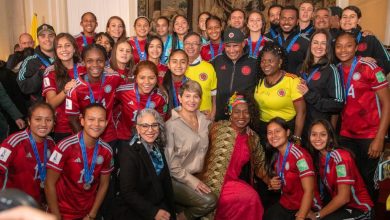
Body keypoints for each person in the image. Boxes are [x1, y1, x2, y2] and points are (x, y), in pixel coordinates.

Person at [335, 32, 390, 200]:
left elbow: (387, 104)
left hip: (370, 135)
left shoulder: (370, 67)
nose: (343, 50)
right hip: (346, 134)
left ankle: (370, 212)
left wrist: (380, 138)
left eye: (348, 45)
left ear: (357, 48)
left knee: (368, 180)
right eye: (339, 46)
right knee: (349, 180)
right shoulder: (335, 70)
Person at [201, 92, 266, 220]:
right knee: (249, 197)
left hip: (230, 183)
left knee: (251, 198)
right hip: (207, 182)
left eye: (246, 112)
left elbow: (260, 166)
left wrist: (270, 181)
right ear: (230, 112)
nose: (241, 116)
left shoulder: (253, 138)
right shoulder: (216, 127)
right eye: (237, 111)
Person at [45, 103, 113, 220]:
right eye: (91, 119)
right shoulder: (65, 146)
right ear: (82, 121)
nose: (96, 124)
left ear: (106, 123)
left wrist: (92, 214)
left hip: (87, 212)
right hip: (62, 212)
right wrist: (56, 216)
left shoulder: (106, 150)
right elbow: (49, 183)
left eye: (101, 120)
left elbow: (104, 184)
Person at [165, 80, 217, 219]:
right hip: (176, 179)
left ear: (200, 99)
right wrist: (194, 182)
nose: (191, 100)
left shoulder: (206, 121)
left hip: (199, 174)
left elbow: (221, 131)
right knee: (209, 201)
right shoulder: (170, 126)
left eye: (196, 96)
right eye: (187, 96)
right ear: (180, 98)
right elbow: (172, 167)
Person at [113, 108, 175, 220]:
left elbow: (165, 183)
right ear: (138, 128)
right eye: (145, 126)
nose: (150, 130)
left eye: (154, 125)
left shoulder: (157, 146)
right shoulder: (129, 152)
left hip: (157, 202)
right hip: (136, 209)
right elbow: (128, 192)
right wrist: (153, 212)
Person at [306, 119, 373, 220]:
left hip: (359, 208)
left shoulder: (341, 157)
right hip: (341, 207)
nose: (317, 138)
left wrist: (318, 215)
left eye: (323, 134)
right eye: (314, 134)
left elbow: (343, 197)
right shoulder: (319, 157)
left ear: (331, 137)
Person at [264, 117, 321, 220]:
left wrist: (301, 217)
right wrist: (273, 184)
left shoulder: (300, 156)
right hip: (287, 203)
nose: (273, 136)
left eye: (277, 131)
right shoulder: (277, 156)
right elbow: (285, 183)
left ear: (287, 132)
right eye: (269, 133)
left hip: (307, 206)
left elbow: (309, 191)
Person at [66, 44, 124, 144]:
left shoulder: (114, 78)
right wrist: (86, 141)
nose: (95, 65)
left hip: (110, 136)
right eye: (90, 61)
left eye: (100, 61)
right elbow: (72, 120)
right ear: (83, 63)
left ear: (106, 62)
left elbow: (127, 91)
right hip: (86, 140)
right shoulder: (75, 88)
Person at [0, 102, 55, 205]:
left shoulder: (51, 143)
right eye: (38, 119)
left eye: (48, 120)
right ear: (29, 121)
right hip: (12, 204)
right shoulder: (14, 142)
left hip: (35, 203)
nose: (43, 124)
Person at [254, 43, 306, 146]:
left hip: (285, 130)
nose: (266, 64)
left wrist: (297, 138)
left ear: (280, 62)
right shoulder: (259, 81)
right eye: (263, 61)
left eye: (270, 61)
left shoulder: (292, 80)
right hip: (263, 131)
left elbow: (302, 112)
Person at [297, 29, 344, 143]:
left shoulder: (331, 70)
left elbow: (338, 104)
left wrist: (309, 95)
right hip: (300, 127)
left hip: (319, 131)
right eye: (315, 42)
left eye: (323, 43)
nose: (319, 46)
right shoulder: (301, 68)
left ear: (328, 47)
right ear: (310, 44)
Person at [42, 33, 84, 142]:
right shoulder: (50, 72)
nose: (64, 49)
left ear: (74, 48)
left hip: (85, 124)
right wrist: (65, 91)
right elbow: (51, 104)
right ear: (55, 50)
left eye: (67, 45)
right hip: (63, 127)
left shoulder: (84, 68)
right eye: (59, 46)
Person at [211, 27, 260, 121]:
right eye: (228, 46)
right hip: (220, 118)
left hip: (244, 119)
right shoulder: (216, 62)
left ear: (243, 44)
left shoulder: (254, 63)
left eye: (235, 46)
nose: (231, 50)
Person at [115, 60, 167, 144]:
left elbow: (160, 123)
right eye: (142, 78)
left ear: (156, 79)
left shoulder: (160, 98)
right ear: (136, 78)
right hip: (124, 138)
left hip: (147, 138)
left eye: (151, 78)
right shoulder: (123, 91)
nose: (147, 82)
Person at [340, 5, 390, 74]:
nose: (347, 20)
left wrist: (375, 61)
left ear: (358, 20)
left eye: (352, 17)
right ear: (340, 20)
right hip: (341, 83)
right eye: (344, 17)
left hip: (366, 83)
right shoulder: (334, 40)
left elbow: (388, 62)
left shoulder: (369, 39)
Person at [17, 24, 56, 104]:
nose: (47, 39)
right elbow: (23, 86)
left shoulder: (63, 56)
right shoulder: (30, 60)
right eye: (43, 36)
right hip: (42, 109)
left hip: (64, 107)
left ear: (55, 37)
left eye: (51, 35)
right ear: (38, 39)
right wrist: (41, 73)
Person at [184, 32, 217, 120]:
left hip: (205, 118)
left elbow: (214, 95)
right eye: (187, 43)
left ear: (201, 47)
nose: (190, 46)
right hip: (183, 118)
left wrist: (213, 114)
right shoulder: (178, 68)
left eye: (194, 43)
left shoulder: (209, 67)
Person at [273, 6, 309, 74]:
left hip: (296, 83)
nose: (286, 22)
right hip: (276, 84)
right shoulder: (272, 41)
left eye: (291, 18)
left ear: (297, 21)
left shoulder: (306, 42)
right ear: (279, 20)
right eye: (283, 18)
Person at [163, 49, 189, 117]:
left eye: (183, 62)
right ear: (168, 65)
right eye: (174, 62)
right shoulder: (162, 86)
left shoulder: (191, 85)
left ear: (187, 65)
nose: (178, 65)